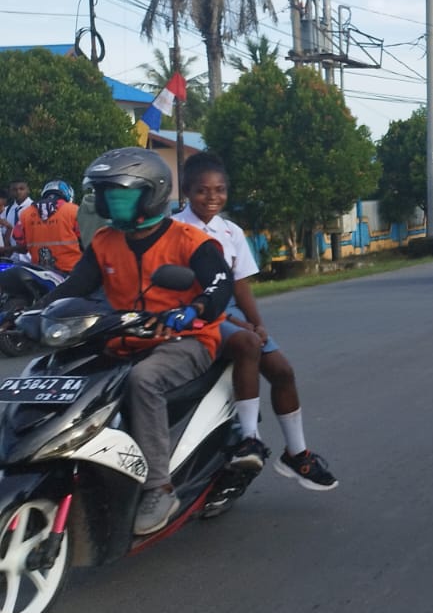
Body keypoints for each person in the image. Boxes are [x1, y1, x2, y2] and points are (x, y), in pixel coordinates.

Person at [49, 148, 233, 536]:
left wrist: (194, 308)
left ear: (151, 195)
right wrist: (27, 313)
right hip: (123, 337)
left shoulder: (190, 240)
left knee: (143, 380)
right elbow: (74, 287)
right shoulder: (104, 241)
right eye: (106, 196)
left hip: (184, 339)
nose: (111, 204)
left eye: (121, 195)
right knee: (60, 371)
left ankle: (158, 488)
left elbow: (220, 283)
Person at [175, 153, 338, 490]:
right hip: (197, 311)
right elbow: (190, 293)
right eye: (203, 190)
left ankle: (297, 454)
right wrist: (241, 324)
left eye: (220, 190)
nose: (212, 197)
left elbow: (240, 284)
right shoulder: (176, 231)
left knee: (282, 371)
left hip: (231, 310)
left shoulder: (230, 230)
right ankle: (249, 439)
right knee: (246, 343)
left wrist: (257, 322)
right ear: (187, 191)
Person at [12, 179, 82, 273]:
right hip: (72, 272)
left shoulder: (26, 213)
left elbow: (20, 242)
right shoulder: (74, 211)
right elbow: (86, 240)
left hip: (39, 272)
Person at [0, 178, 32, 258]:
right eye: (14, 189)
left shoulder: (35, 209)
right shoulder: (6, 211)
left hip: (31, 258)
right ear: (10, 192)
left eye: (22, 189)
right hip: (12, 258)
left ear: (28, 190)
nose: (18, 192)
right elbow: (4, 235)